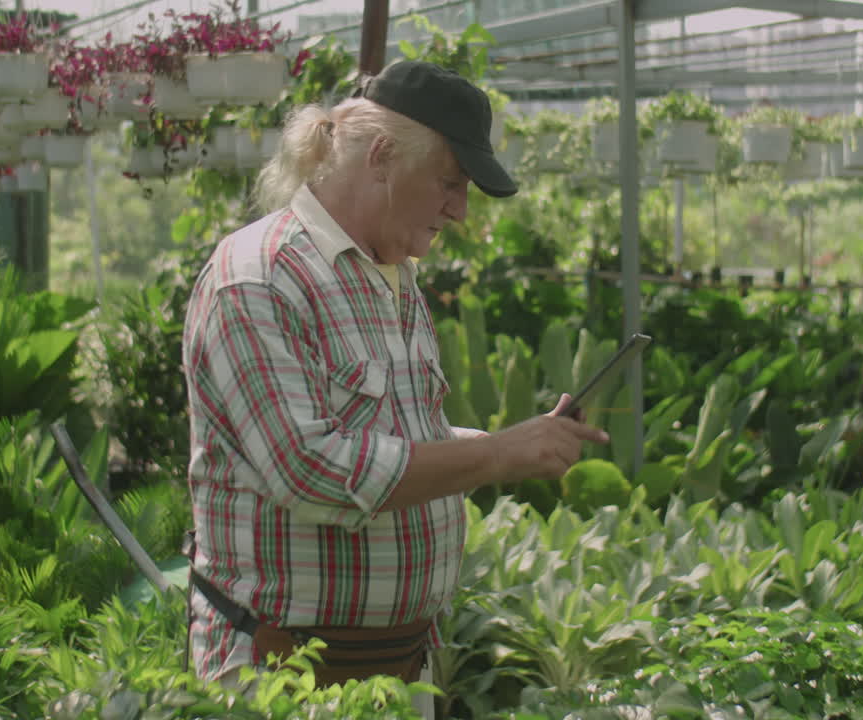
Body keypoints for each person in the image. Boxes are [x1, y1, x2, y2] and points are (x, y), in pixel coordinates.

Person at [179, 60, 609, 708]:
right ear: (380, 155)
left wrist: (520, 444)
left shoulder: (392, 275)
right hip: (281, 679)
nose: (460, 210)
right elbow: (309, 469)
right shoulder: (258, 277)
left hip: (399, 672)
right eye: (448, 182)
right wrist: (494, 455)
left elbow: (401, 439)